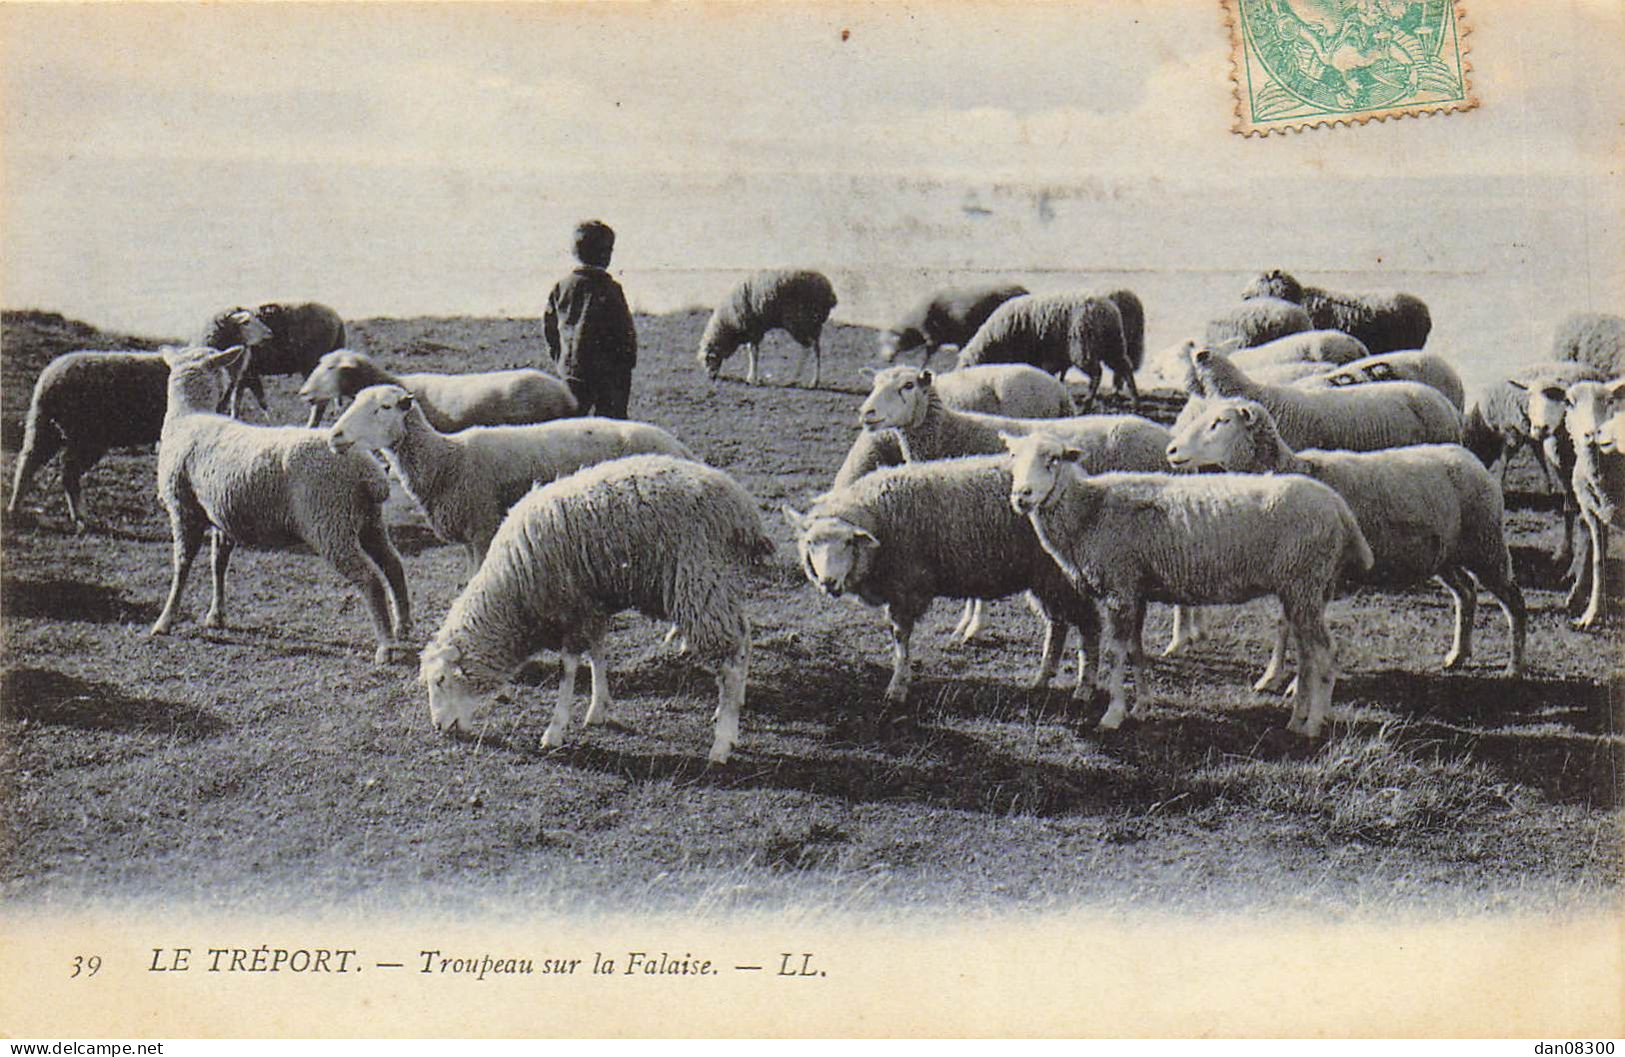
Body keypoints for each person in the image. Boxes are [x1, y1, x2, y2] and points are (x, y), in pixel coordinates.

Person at [543, 219, 638, 418]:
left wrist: (560, 358)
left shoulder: (562, 286)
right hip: (608, 373)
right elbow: (624, 331)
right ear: (606, 255)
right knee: (611, 422)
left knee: (572, 421)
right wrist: (627, 361)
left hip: (572, 369)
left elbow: (550, 328)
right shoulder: (611, 289)